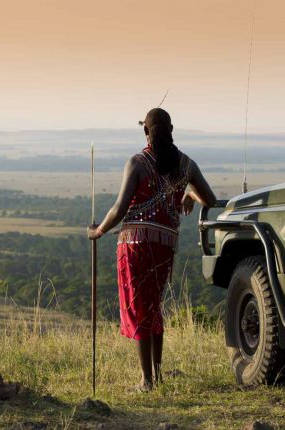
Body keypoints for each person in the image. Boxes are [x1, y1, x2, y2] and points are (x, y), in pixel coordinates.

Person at [87, 107, 216, 391]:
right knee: (153, 308)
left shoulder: (137, 162)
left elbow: (120, 209)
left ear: (146, 131)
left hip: (135, 246)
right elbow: (211, 199)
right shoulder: (187, 165)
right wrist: (189, 193)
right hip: (164, 247)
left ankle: (147, 381)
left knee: (139, 309)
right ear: (171, 129)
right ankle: (155, 376)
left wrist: (98, 231)